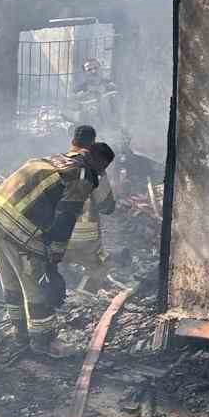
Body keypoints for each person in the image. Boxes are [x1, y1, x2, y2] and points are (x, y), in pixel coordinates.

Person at [0, 139, 115, 357]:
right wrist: (54, 256)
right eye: (101, 170)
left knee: (12, 280)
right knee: (36, 282)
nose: (99, 176)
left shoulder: (57, 159)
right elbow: (67, 216)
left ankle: (20, 333)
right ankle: (44, 342)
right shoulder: (83, 175)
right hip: (19, 228)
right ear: (98, 164)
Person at [62, 126, 115, 294]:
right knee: (102, 264)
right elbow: (107, 207)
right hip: (86, 241)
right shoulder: (95, 170)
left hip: (58, 237)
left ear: (72, 141)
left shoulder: (57, 163)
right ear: (92, 144)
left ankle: (60, 291)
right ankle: (83, 296)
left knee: (57, 263)